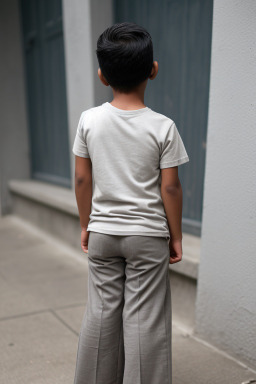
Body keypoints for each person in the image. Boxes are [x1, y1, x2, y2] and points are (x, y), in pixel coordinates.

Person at [72, 21, 189, 384]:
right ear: (152, 71)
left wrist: (85, 223)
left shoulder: (89, 121)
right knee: (144, 321)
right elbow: (170, 188)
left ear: (101, 75)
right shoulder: (163, 126)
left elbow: (81, 178)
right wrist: (176, 235)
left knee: (101, 316)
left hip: (104, 232)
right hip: (147, 237)